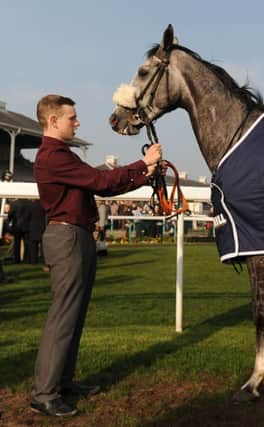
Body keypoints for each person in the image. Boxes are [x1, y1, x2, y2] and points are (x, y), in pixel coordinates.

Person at [30, 94, 162, 417]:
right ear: (53, 121)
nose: (77, 122)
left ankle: (62, 381)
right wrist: (142, 165)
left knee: (73, 316)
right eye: (71, 117)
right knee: (64, 317)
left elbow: (102, 185)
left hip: (77, 237)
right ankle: (44, 393)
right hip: (67, 238)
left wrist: (143, 173)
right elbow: (100, 182)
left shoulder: (62, 155)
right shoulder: (54, 157)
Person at [7, 198, 32, 263]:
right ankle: (26, 259)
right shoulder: (30, 203)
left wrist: (9, 221)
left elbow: (10, 215)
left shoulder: (14, 203)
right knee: (27, 244)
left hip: (17, 226)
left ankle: (17, 259)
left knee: (17, 244)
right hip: (27, 226)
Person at [26, 199, 47, 264]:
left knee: (33, 246)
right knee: (43, 247)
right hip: (42, 227)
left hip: (32, 227)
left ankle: (33, 261)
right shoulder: (44, 205)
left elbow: (27, 217)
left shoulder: (30, 205)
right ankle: (44, 260)